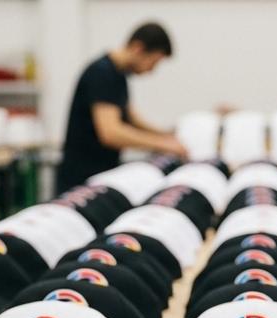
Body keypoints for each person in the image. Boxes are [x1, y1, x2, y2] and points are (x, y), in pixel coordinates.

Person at [57, 22, 188, 192]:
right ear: (138, 48)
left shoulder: (118, 75)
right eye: (153, 62)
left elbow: (130, 117)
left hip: (100, 173)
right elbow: (111, 133)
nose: (151, 70)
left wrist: (165, 134)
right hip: (82, 179)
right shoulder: (102, 73)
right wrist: (162, 144)